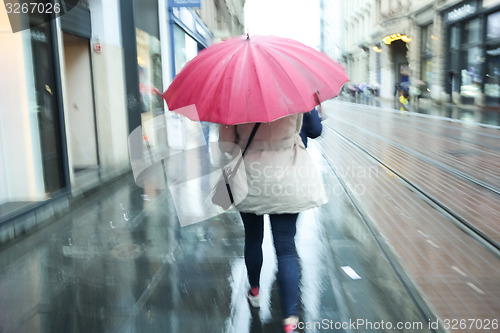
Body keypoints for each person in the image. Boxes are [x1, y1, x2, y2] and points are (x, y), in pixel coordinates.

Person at [219, 114, 327, 333]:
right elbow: (314, 130)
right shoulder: (296, 89)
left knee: (253, 238)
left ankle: (255, 293)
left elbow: (225, 144)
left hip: (249, 176)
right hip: (287, 175)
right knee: (286, 248)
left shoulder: (236, 97)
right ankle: (290, 320)